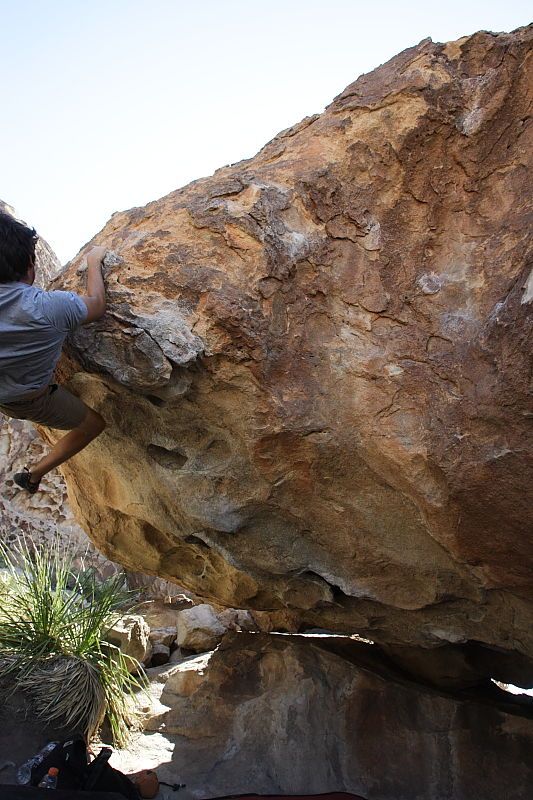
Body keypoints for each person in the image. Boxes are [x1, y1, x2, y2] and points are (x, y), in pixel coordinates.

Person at [0, 210, 107, 493]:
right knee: (93, 425)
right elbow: (96, 303)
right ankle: (33, 475)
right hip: (26, 399)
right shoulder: (48, 308)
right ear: (30, 266)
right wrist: (94, 261)